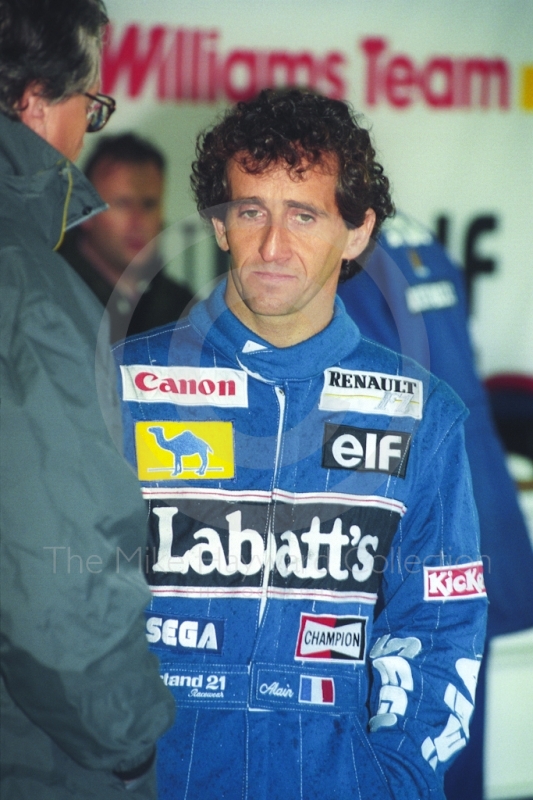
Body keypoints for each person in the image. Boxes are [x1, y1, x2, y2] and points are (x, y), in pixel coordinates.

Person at [114, 89, 487, 800]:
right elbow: (63, 602)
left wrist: (391, 781)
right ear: (221, 226)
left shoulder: (420, 415)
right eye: (250, 211)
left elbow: (440, 626)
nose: (273, 246)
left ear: (356, 231)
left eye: (304, 214)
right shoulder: (125, 385)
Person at [0, 1, 174, 798]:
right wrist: (132, 744)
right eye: (90, 106)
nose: (85, 128)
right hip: (37, 748)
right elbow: (55, 582)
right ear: (36, 103)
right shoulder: (31, 289)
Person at [337, 212, 533, 800]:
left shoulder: (340, 255)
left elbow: (363, 402)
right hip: (476, 506)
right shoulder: (414, 237)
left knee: (395, 733)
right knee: (453, 717)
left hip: (413, 517)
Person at [59, 133, 193, 343]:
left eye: (148, 204)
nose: (137, 221)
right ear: (85, 211)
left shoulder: (185, 311)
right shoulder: (50, 295)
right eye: (123, 203)